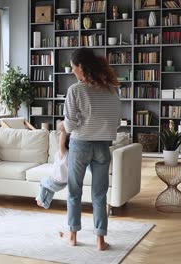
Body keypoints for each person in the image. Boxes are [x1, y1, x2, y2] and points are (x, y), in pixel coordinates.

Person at [58, 48, 121, 251]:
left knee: (74, 192)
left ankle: (73, 236)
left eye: (73, 68)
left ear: (81, 67)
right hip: (103, 145)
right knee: (100, 195)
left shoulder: (75, 90)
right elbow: (117, 121)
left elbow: (70, 124)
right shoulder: (111, 89)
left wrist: (63, 127)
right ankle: (100, 241)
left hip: (80, 144)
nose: (72, 72)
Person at [36, 127, 70, 209]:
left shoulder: (63, 153)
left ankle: (40, 199)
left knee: (42, 182)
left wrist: (63, 131)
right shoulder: (74, 156)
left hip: (55, 180)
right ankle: (46, 204)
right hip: (64, 183)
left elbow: (61, 143)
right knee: (51, 190)